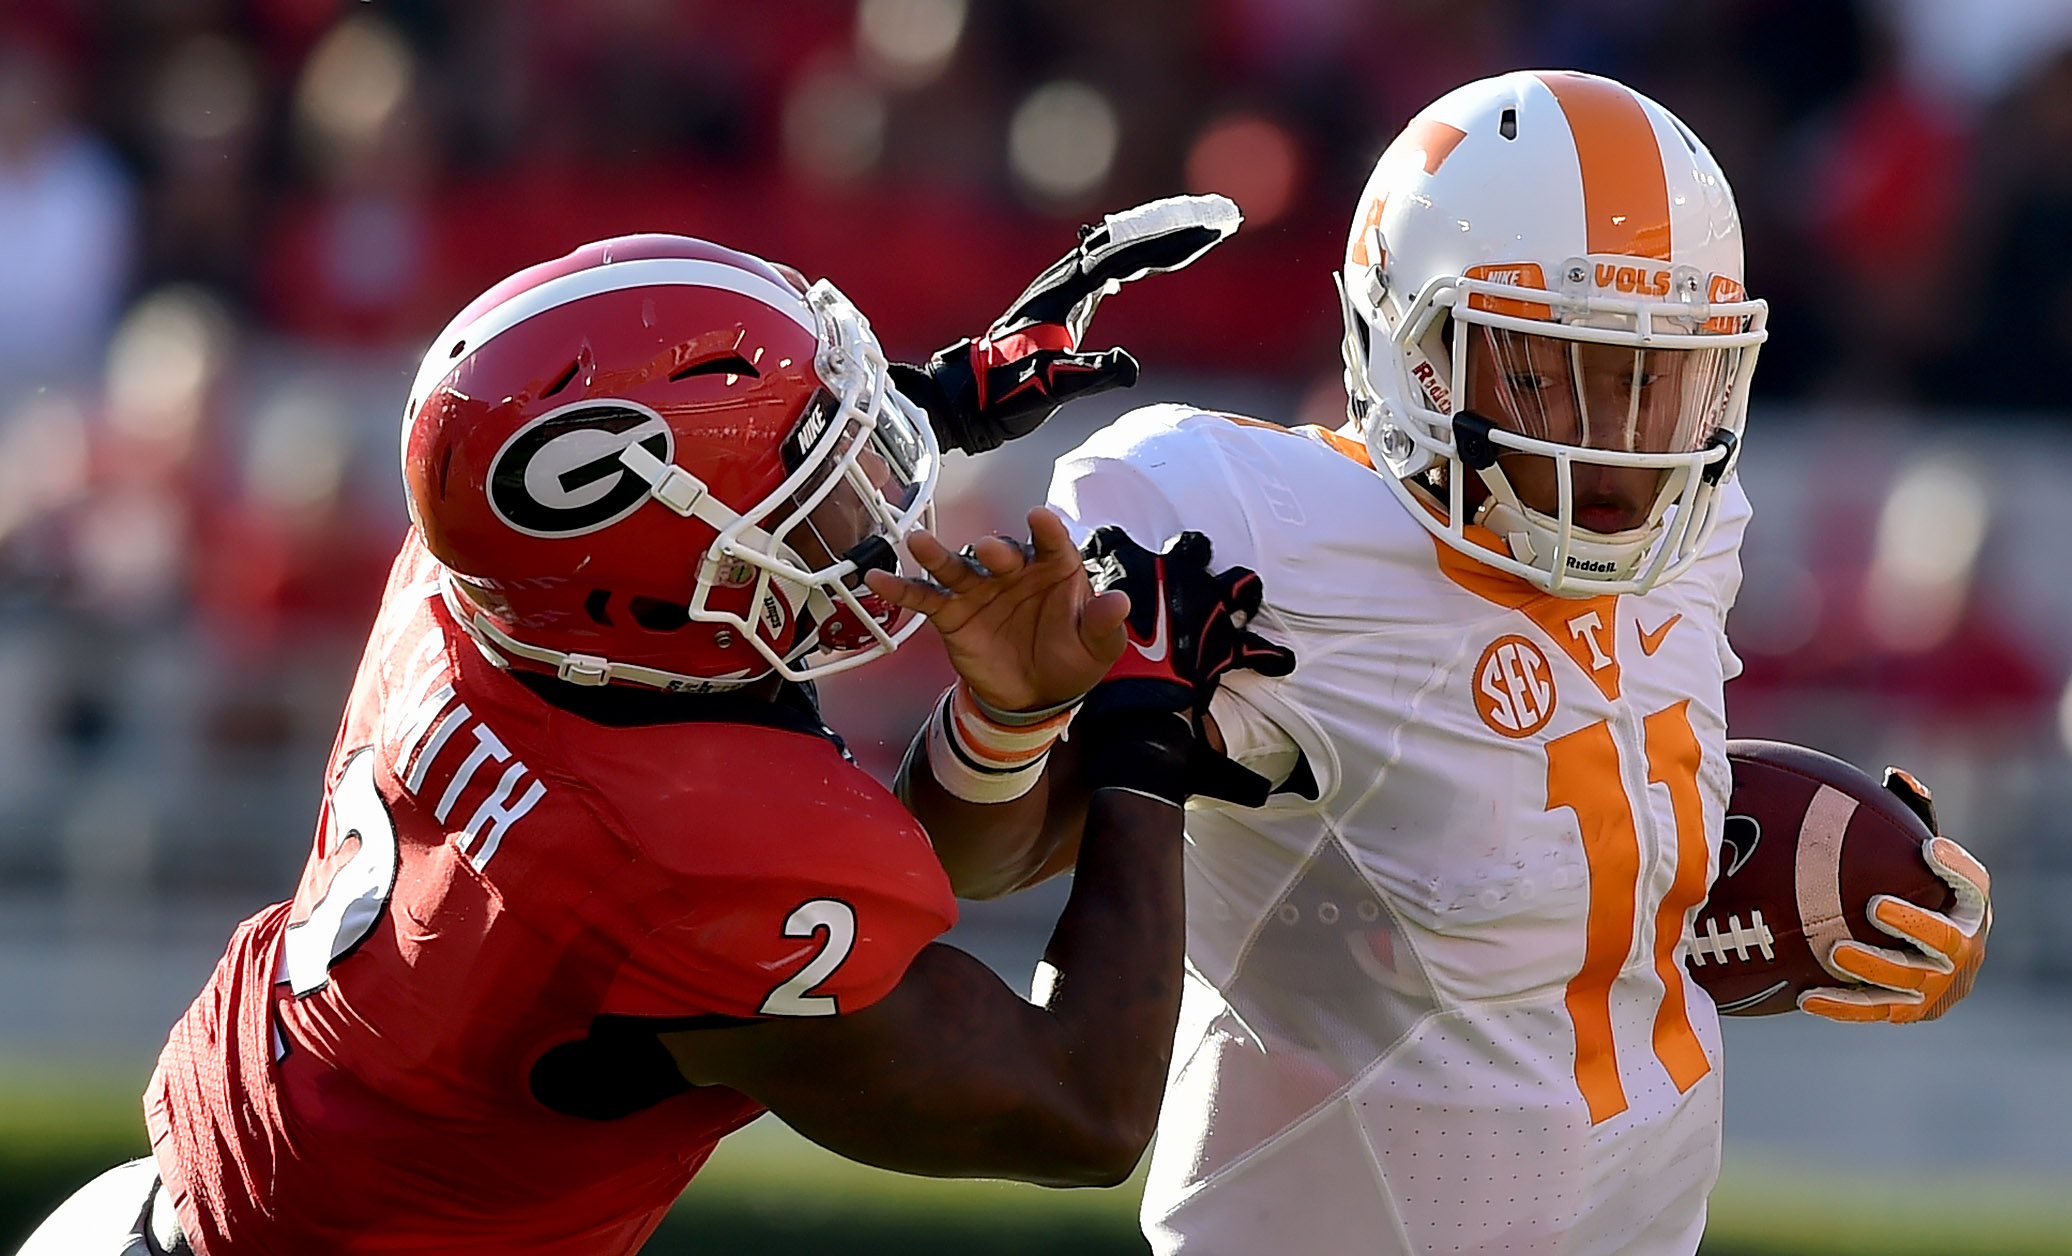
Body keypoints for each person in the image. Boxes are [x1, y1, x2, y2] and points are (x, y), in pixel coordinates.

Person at [17, 199, 1288, 1256]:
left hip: (161, 1203)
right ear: (651, 573)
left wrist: (916, 413)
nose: (880, 512)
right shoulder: (662, 858)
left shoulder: (476, 577)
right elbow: (1081, 1107)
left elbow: (854, 903)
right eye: (817, 480)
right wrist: (1141, 738)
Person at [904, 72, 1994, 1254]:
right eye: (1546, 368)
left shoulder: (1696, 532)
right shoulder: (1271, 541)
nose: (1615, 438)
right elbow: (982, 852)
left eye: (1651, 374)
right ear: (1413, 348)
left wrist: (1861, 888)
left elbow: (1567, 800)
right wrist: (1007, 719)